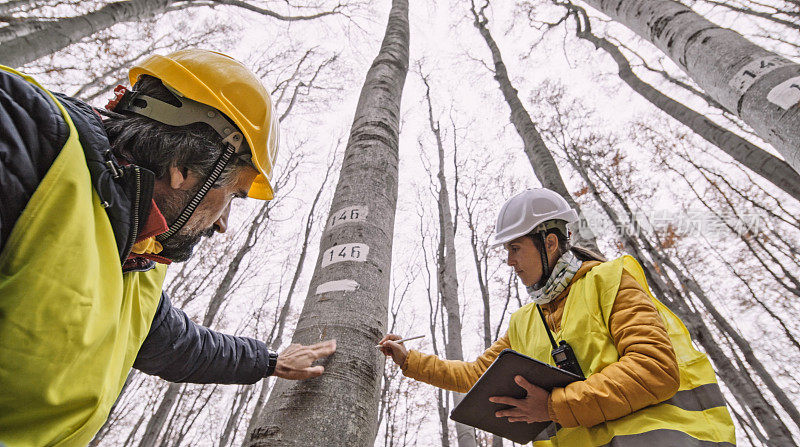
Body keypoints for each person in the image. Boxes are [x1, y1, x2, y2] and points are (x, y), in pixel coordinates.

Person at [0, 50, 335, 446]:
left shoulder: (138, 259)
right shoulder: (26, 139)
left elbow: (181, 345)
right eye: (232, 196)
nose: (223, 223)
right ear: (184, 166)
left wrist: (270, 362)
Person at [379, 188, 735, 446]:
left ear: (549, 242)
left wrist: (551, 406)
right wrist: (408, 360)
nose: (509, 261)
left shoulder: (608, 280)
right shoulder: (524, 321)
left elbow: (653, 369)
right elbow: (475, 375)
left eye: (515, 248)